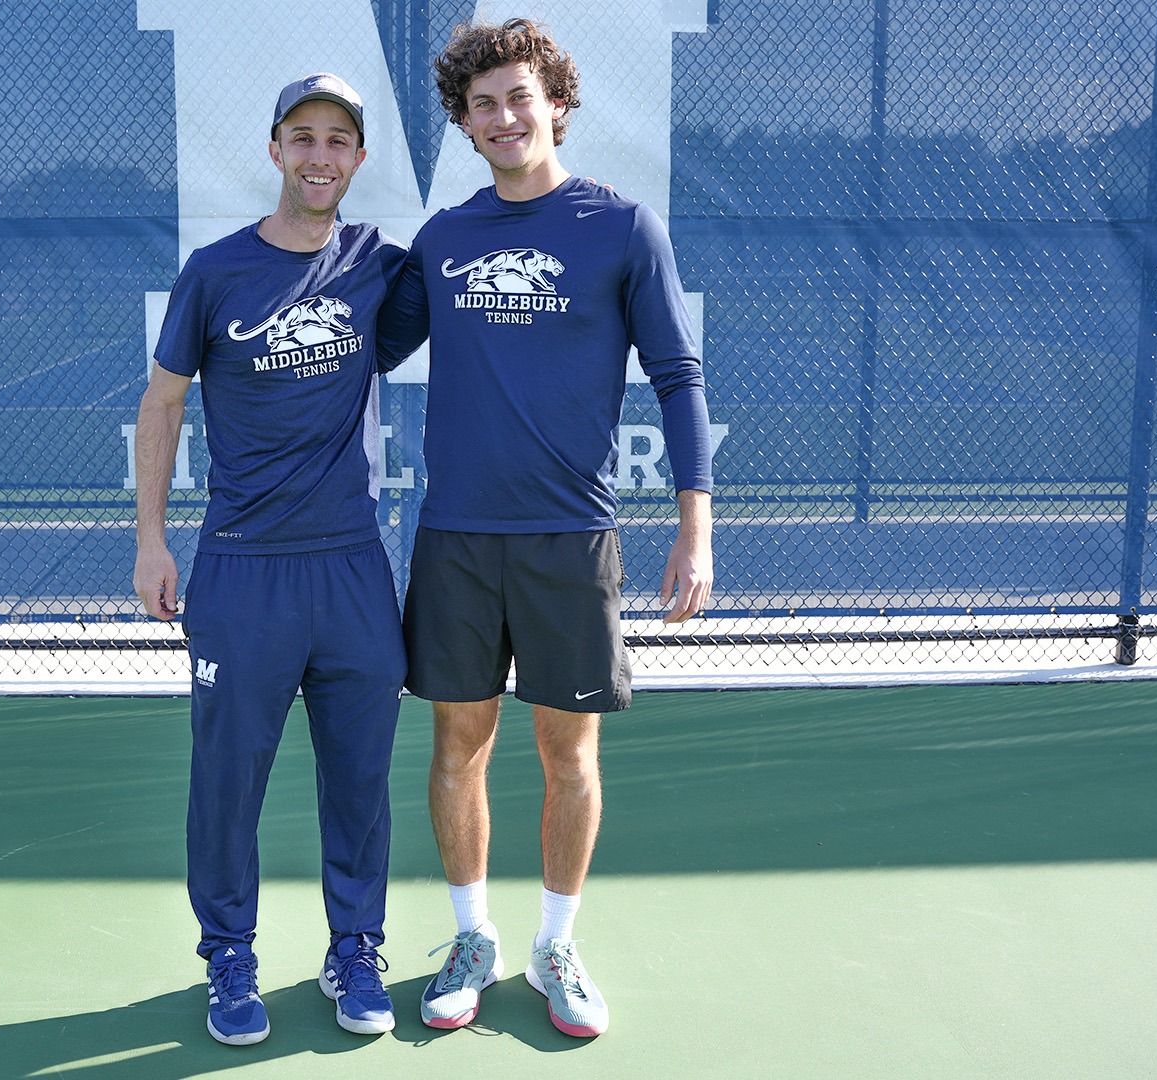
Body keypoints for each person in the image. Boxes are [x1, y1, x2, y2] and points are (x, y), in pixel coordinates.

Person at [377, 18, 715, 1038]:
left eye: (520, 96)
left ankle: (554, 946)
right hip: (459, 540)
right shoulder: (444, 240)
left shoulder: (621, 227)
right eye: (483, 105)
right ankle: (471, 937)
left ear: (555, 102)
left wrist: (694, 531)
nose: (505, 116)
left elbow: (679, 378)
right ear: (465, 124)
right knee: (457, 747)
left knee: (570, 758)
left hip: (573, 540)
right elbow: (361, 347)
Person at [133, 72, 410, 1046]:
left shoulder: (382, 265)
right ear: (275, 150)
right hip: (243, 569)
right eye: (303, 137)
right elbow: (162, 403)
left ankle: (356, 949)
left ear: (359, 158)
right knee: (227, 782)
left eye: (339, 139)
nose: (321, 155)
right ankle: (230, 957)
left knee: (361, 778)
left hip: (350, 568)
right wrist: (152, 541)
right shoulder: (214, 272)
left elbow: (478, 305)